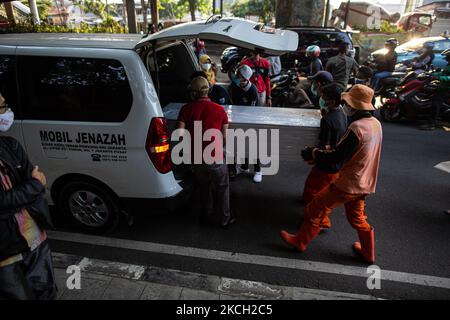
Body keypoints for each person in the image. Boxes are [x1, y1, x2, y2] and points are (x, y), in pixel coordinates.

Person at [280, 84, 382, 264]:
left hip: (349, 183)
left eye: (348, 103)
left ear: (355, 106)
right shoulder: (375, 124)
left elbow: (336, 157)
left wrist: (313, 153)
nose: (346, 106)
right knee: (357, 218)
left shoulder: (357, 128)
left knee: (316, 206)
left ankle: (300, 242)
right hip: (365, 183)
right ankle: (368, 253)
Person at [0, 93, 57, 299]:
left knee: (46, 291)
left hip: (34, 238)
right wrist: (31, 186)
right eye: (2, 107)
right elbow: (34, 184)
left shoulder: (10, 146)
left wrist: (31, 187)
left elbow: (38, 183)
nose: (6, 112)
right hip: (5, 253)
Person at [177, 77, 235, 229]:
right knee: (222, 187)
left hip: (197, 158)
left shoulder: (185, 109)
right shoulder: (220, 110)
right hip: (215, 156)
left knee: (204, 186)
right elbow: (223, 138)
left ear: (193, 93)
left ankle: (206, 214)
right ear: (208, 90)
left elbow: (180, 135)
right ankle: (225, 219)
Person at [301, 83, 348, 230]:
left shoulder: (327, 120)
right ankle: (318, 218)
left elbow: (324, 145)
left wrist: (312, 154)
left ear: (332, 101)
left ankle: (320, 222)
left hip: (326, 165)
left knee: (313, 191)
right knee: (323, 192)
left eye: (324, 97)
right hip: (336, 165)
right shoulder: (342, 113)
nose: (321, 98)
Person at [230, 65, 263, 183]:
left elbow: (253, 110)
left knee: (252, 145)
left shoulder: (252, 90)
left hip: (250, 119)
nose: (236, 78)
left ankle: (258, 170)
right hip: (237, 118)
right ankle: (244, 167)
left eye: (239, 76)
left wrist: (247, 122)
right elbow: (233, 103)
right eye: (236, 75)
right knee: (238, 144)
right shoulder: (234, 85)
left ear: (245, 78)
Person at [420, 48, 450, 130]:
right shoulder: (448, 65)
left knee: (435, 103)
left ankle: (431, 124)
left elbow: (448, 77)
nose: (446, 58)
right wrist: (431, 74)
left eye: (448, 57)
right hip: (443, 87)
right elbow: (443, 73)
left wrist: (438, 77)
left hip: (447, 89)